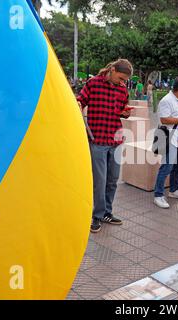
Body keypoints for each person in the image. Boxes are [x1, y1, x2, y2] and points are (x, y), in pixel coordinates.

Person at [77, 59, 133, 233]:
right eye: (121, 78)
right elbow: (80, 101)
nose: (123, 82)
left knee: (112, 180)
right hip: (98, 140)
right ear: (113, 69)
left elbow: (123, 111)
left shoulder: (122, 89)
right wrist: (78, 106)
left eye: (125, 80)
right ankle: (97, 215)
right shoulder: (93, 84)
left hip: (115, 140)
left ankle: (107, 212)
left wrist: (125, 113)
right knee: (99, 181)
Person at [153, 77, 178, 209]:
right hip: (169, 136)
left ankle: (174, 189)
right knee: (166, 167)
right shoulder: (167, 100)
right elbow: (164, 119)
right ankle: (158, 195)